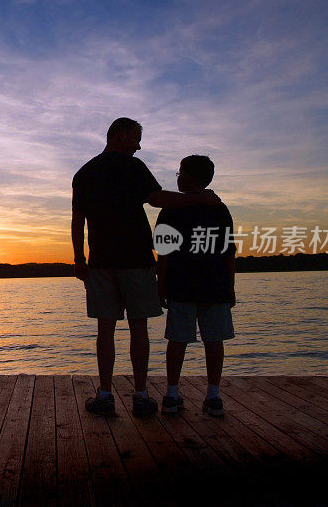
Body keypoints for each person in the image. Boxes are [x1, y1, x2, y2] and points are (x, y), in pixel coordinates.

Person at [72, 118, 220, 417]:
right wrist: (198, 199)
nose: (139, 146)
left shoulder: (85, 172)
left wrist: (79, 259)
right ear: (121, 134)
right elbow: (156, 199)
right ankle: (140, 396)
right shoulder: (133, 167)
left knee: (106, 330)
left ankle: (105, 395)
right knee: (138, 327)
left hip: (100, 261)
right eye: (137, 138)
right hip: (136, 259)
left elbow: (78, 220)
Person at [155, 155, 236, 417]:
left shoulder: (171, 209)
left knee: (178, 339)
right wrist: (230, 288)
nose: (177, 176)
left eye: (179, 172)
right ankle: (213, 395)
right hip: (216, 286)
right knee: (214, 340)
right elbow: (228, 252)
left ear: (189, 176)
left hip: (181, 285)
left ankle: (172, 393)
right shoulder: (219, 208)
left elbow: (164, 252)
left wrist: (161, 285)